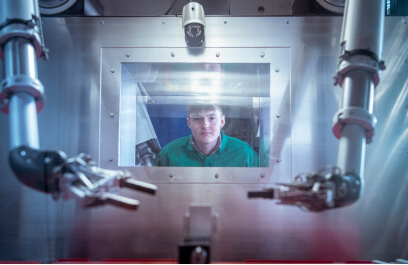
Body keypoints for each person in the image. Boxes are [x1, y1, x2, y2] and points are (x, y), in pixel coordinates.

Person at [154, 105, 259, 167]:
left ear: (222, 121)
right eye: (197, 119)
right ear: (189, 123)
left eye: (212, 118)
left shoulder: (245, 153)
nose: (205, 126)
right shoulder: (168, 154)